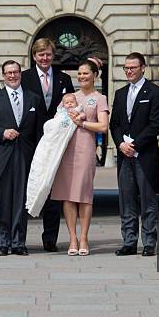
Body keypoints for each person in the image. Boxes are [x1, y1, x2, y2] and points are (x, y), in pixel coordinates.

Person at [0, 60, 45, 256]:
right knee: (2, 201)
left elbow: (39, 131)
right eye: (8, 73)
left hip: (25, 156)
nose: (13, 76)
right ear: (3, 75)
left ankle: (18, 242)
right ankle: (2, 242)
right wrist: (2, 132)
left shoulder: (34, 99)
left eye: (16, 72)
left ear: (20, 74)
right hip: (3, 155)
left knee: (20, 200)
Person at [21, 38, 76, 252]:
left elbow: (71, 108)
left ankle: (50, 239)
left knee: (53, 192)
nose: (45, 58)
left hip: (55, 145)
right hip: (31, 141)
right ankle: (20, 238)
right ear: (34, 56)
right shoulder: (24, 78)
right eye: (41, 54)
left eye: (48, 55)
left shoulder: (63, 79)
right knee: (27, 188)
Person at [109, 52, 159, 257]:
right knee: (126, 200)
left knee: (148, 201)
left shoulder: (155, 93)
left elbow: (155, 125)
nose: (129, 71)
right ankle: (129, 241)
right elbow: (113, 124)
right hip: (124, 155)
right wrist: (121, 144)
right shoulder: (120, 93)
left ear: (143, 68)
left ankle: (149, 242)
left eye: (133, 67)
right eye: (126, 68)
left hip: (144, 155)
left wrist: (134, 144)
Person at [51, 58, 109, 256]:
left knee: (84, 195)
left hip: (85, 149)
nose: (82, 76)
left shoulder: (99, 98)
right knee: (67, 195)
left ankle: (84, 237)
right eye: (80, 73)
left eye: (86, 73)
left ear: (95, 75)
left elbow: (103, 126)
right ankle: (72, 239)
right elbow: (57, 120)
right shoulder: (69, 97)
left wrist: (82, 124)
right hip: (66, 150)